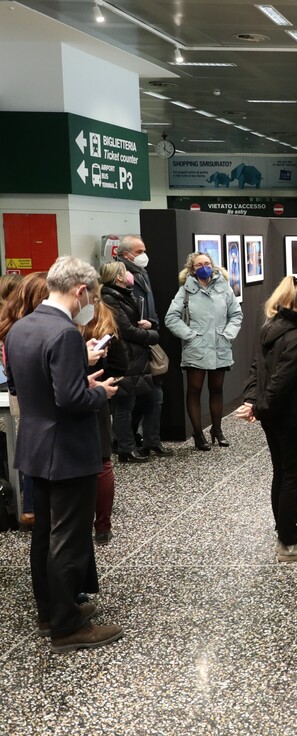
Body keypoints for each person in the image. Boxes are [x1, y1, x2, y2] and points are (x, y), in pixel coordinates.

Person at [5, 256, 121, 653]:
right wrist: (98, 392)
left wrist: (77, 382)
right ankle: (68, 627)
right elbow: (71, 399)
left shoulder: (20, 328)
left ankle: (50, 611)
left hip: (35, 445)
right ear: (80, 291)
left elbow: (30, 386)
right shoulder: (65, 333)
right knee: (69, 538)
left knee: (44, 535)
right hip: (68, 451)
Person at [236, 277, 297, 563]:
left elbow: (259, 368)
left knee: (281, 473)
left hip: (274, 415)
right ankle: (289, 544)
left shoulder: (272, 327)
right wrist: (259, 406)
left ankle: (285, 530)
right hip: (290, 415)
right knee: (294, 477)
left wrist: (253, 402)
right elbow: (282, 380)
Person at [164, 252, 244, 451]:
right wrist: (191, 335)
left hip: (220, 346)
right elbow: (171, 318)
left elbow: (236, 314)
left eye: (207, 263)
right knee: (195, 390)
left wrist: (227, 334)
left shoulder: (223, 287)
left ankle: (217, 430)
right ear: (192, 269)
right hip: (196, 348)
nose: (204, 267)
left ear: (213, 265)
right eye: (199, 264)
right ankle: (198, 434)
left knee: (216, 389)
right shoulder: (186, 290)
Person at [0, 272, 48, 529]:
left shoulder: (11, 324)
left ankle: (31, 508)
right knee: (33, 450)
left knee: (28, 447)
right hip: (31, 395)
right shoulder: (24, 325)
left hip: (20, 392)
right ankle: (32, 508)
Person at [99, 262, 159, 464]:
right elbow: (126, 329)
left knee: (139, 401)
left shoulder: (124, 295)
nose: (129, 276)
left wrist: (148, 325)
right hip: (125, 356)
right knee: (123, 403)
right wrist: (151, 335)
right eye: (125, 272)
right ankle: (126, 448)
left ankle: (129, 442)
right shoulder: (109, 298)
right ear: (117, 277)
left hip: (135, 355)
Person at [117, 235, 170, 457]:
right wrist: (149, 332)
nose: (143, 256)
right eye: (139, 252)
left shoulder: (143, 274)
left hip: (147, 343)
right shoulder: (120, 277)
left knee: (154, 397)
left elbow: (151, 308)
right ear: (126, 253)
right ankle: (125, 446)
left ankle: (152, 442)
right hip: (131, 350)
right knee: (127, 401)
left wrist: (153, 325)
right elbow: (125, 324)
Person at [79, 297, 120, 544]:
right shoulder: (103, 319)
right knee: (103, 462)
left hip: (82, 398)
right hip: (97, 396)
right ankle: (102, 527)